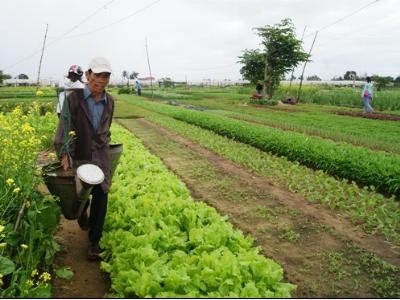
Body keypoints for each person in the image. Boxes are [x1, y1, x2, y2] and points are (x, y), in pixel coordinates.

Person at [55, 56, 114, 260]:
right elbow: (64, 127)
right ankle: (82, 212)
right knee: (81, 192)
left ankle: (94, 242)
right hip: (80, 153)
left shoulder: (110, 101)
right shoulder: (74, 99)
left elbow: (107, 128)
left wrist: (106, 146)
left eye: (105, 76)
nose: (101, 80)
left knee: (102, 193)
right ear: (88, 75)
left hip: (101, 155)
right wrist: (64, 153)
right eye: (97, 75)